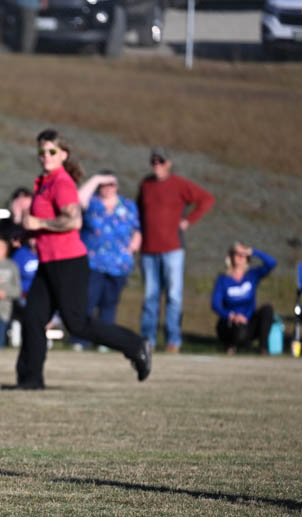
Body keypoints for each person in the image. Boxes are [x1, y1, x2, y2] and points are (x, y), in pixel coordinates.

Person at [15, 129, 150, 390]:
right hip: (48, 262)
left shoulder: (61, 183)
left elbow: (74, 220)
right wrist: (26, 233)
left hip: (68, 263)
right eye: (42, 151)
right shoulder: (43, 182)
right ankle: (30, 381)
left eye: (52, 151)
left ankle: (135, 345)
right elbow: (47, 223)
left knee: (77, 325)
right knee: (33, 318)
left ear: (63, 155)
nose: (46, 156)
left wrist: (39, 222)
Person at [137, 147, 215, 353]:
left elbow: (207, 199)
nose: (157, 165)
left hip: (173, 249)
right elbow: (138, 212)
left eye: (161, 161)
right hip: (148, 250)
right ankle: (148, 340)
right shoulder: (146, 185)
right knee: (150, 296)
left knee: (173, 296)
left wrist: (188, 220)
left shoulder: (179, 184)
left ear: (168, 163)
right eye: (154, 161)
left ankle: (173, 340)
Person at [74, 171, 141, 350]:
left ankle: (104, 341)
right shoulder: (93, 204)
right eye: (104, 184)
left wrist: (134, 245)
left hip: (119, 264)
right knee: (88, 301)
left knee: (109, 305)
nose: (108, 188)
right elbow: (78, 199)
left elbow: (137, 228)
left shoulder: (127, 205)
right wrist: (96, 179)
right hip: (93, 263)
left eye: (111, 184)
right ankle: (81, 340)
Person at [211, 243, 276, 354]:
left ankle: (263, 348)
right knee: (235, 327)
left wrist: (253, 252)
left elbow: (272, 263)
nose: (241, 256)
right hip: (230, 324)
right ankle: (231, 345)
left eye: (243, 254)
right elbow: (215, 304)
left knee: (267, 309)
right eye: (237, 253)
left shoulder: (252, 276)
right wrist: (231, 315)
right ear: (231, 256)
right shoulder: (223, 279)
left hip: (248, 323)